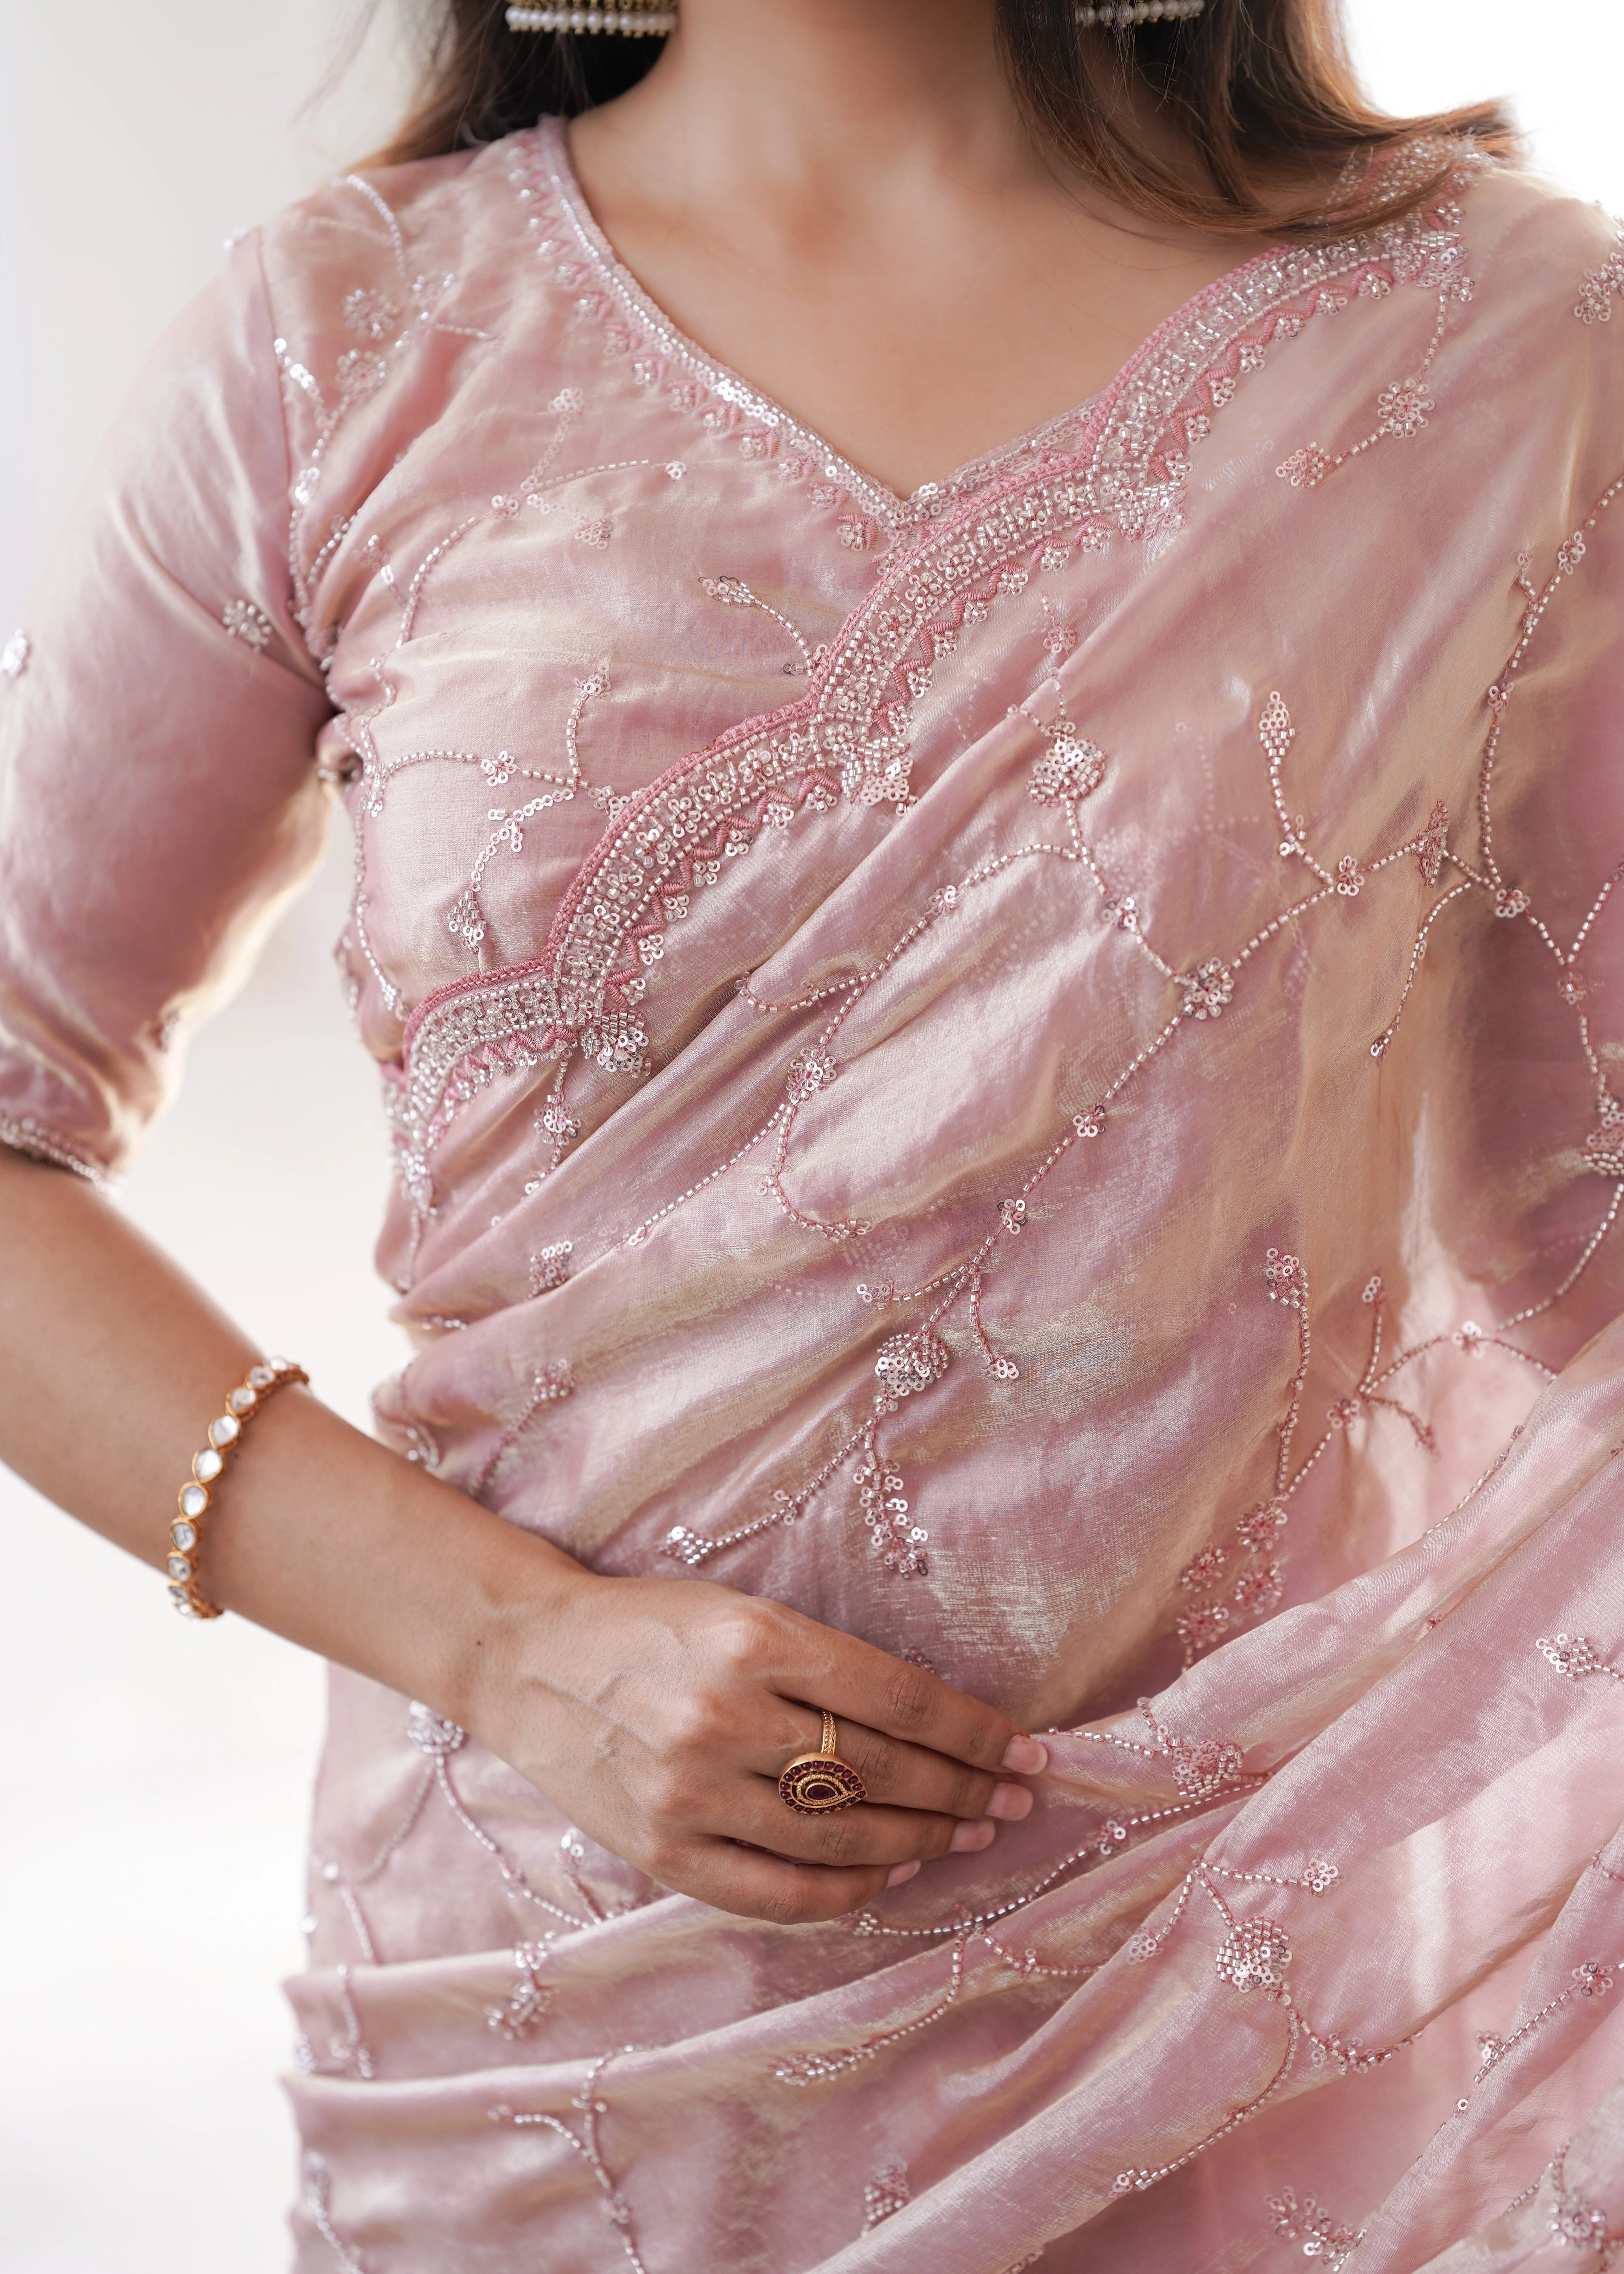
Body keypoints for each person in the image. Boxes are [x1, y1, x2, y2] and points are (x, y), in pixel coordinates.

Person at [3, 0, 1622, 2263]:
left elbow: (1590, 1251)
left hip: (1233, 2009)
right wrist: (507, 1651)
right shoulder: (345, 344)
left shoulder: (1500, 349)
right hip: (549, 2031)